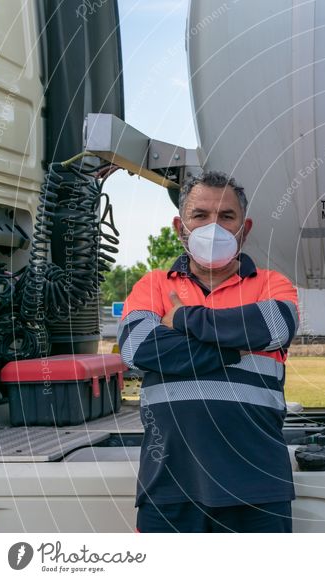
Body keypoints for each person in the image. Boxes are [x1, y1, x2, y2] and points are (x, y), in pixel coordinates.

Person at [118, 171, 299, 532]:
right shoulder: (153, 284)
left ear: (244, 229)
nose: (212, 227)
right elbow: (139, 347)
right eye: (200, 216)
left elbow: (275, 326)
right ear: (179, 226)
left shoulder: (271, 284)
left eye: (226, 216)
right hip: (168, 488)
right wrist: (236, 349)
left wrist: (183, 317)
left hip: (258, 489)